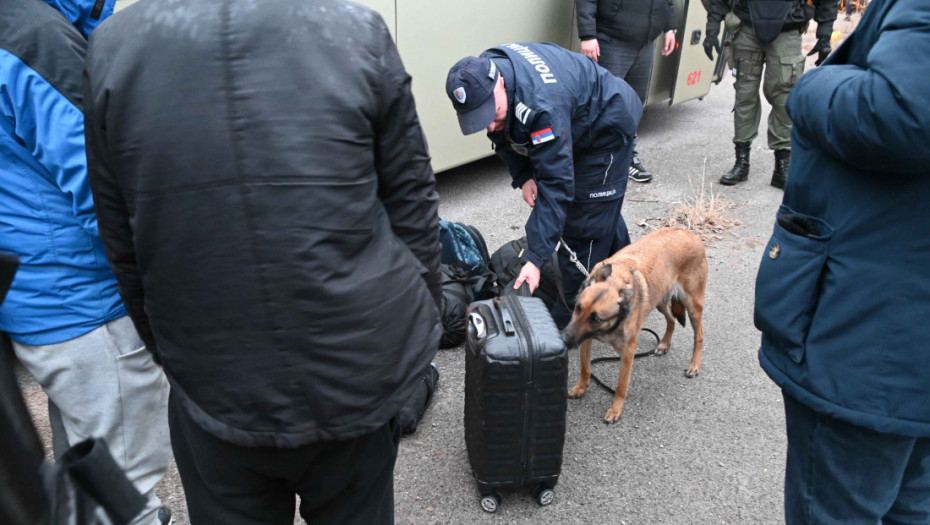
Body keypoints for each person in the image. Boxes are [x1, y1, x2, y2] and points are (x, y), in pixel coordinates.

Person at [83, 0, 442, 523]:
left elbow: (120, 235)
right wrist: (412, 333)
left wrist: (165, 347)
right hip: (349, 371)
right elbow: (411, 201)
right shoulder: (352, 29)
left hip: (212, 379)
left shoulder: (116, 45)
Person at [753, 0, 930, 521]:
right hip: (907, 352)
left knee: (834, 507)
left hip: (870, 338)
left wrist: (812, 86)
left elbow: (905, 111)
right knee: (910, 504)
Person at [0, 1, 172, 524]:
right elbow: (104, 186)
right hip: (84, 300)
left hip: (30, 294)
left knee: (85, 466)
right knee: (125, 487)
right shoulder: (35, 37)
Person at [445, 43, 642, 328]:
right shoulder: (483, 73)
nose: (488, 126)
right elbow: (503, 133)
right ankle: (629, 280)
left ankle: (576, 317)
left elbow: (556, 185)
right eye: (480, 117)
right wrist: (523, 175)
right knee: (598, 208)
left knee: (585, 222)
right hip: (573, 120)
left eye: (492, 112)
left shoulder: (541, 105)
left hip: (606, 125)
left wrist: (535, 259)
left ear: (499, 83)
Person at [703, 0, 838, 189]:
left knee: (784, 98)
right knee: (745, 95)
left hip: (788, 30)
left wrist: (824, 36)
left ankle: (782, 168)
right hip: (746, 27)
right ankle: (741, 163)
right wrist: (712, 29)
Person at [575, 0, 677, 184]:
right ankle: (595, 163)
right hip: (613, 39)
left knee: (634, 104)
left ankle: (627, 157)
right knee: (604, 105)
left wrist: (670, 27)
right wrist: (587, 34)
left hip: (646, 43)